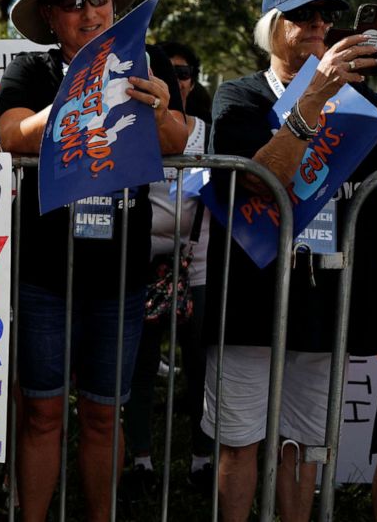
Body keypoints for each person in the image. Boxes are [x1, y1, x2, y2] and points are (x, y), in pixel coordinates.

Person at [0, 0, 188, 518]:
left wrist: (152, 107)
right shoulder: (30, 69)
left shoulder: (145, 64)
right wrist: (76, 100)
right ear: (51, 16)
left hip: (120, 277)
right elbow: (10, 135)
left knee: (105, 414)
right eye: (72, 1)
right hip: (43, 276)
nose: (90, 10)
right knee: (43, 413)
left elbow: (178, 140)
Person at [201, 0, 377, 521]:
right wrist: (313, 98)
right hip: (250, 297)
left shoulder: (360, 102)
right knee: (239, 445)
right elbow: (258, 180)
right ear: (272, 25)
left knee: (303, 448)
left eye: (326, 14)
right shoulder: (238, 96)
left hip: (325, 296)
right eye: (302, 14)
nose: (318, 25)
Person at [121, 40, 214, 506]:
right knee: (139, 365)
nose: (175, 80)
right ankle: (141, 462)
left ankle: (201, 460)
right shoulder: (128, 128)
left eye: (183, 72)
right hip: (138, 262)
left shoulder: (205, 132)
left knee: (200, 364)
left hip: (194, 264)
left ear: (193, 80)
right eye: (165, 71)